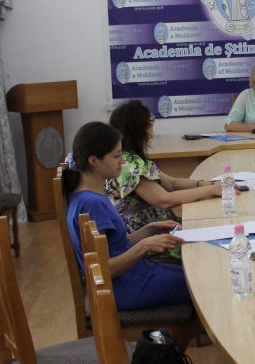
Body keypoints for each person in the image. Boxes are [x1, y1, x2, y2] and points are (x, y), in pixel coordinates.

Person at [63, 121, 190, 310]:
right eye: (116, 156)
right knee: (199, 281)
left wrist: (150, 230)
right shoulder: (92, 204)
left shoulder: (88, 195)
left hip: (133, 277)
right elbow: (103, 270)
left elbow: (116, 245)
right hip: (126, 288)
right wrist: (145, 246)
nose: (122, 161)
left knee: (191, 272)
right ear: (93, 161)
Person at [108, 100, 223, 234]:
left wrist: (204, 184)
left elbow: (172, 183)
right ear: (142, 129)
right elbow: (164, 200)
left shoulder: (131, 157)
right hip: (145, 234)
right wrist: (210, 190)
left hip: (155, 226)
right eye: (150, 122)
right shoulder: (129, 164)